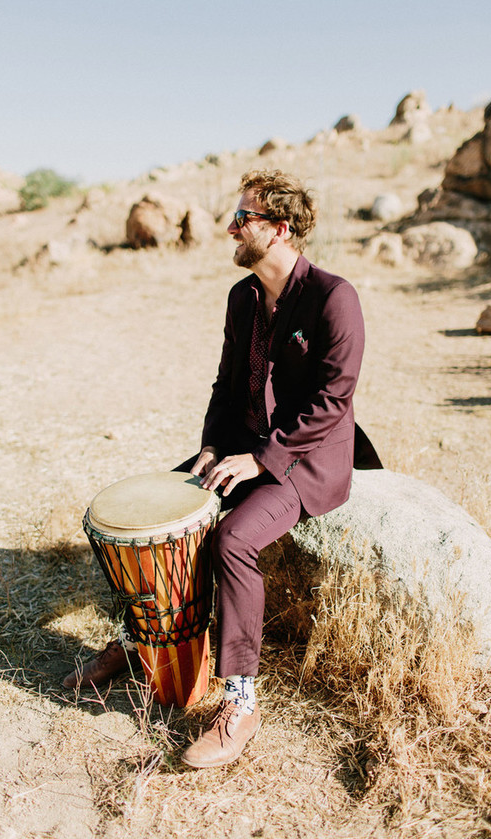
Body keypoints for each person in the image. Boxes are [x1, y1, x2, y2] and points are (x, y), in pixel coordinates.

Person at [63, 169, 381, 768]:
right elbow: (225, 383)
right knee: (159, 518)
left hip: (305, 460)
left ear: (279, 228)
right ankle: (139, 642)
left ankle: (240, 701)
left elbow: (333, 400)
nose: (230, 229)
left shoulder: (334, 297)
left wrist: (260, 459)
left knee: (232, 538)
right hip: (241, 443)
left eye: (242, 218)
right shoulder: (242, 297)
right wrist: (212, 446)